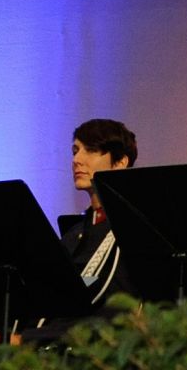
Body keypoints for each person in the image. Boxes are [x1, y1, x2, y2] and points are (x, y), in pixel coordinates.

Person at [63, 118, 136, 307]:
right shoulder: (73, 234)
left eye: (91, 150)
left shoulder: (132, 231)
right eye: (75, 151)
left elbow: (113, 308)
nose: (76, 160)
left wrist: (30, 337)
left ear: (120, 163)